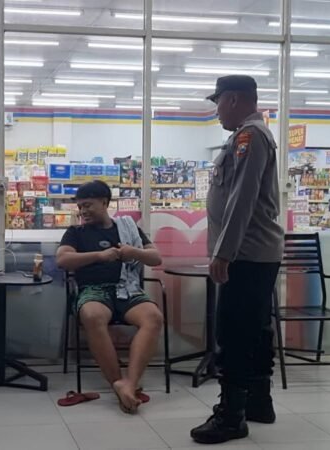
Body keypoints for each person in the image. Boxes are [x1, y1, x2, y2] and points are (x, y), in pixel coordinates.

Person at [190, 75, 285, 445]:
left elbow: (242, 198)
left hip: (245, 254)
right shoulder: (248, 136)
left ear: (233, 99)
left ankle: (231, 417)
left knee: (234, 333)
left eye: (217, 103)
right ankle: (258, 402)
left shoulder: (250, 137)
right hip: (255, 253)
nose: (216, 111)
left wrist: (223, 252)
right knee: (255, 330)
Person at [56, 180, 164, 414]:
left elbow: (156, 258)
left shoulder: (128, 228)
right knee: (93, 315)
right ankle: (117, 382)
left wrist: (134, 252)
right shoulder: (75, 232)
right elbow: (63, 260)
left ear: (105, 203)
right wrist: (99, 256)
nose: (83, 211)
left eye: (88, 205)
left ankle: (130, 384)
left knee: (153, 317)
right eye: (80, 207)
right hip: (93, 290)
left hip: (127, 288)